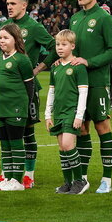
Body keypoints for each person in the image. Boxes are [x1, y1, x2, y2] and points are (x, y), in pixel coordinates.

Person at [44, 0, 112, 193]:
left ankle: (107, 179)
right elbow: (69, 46)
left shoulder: (104, 18)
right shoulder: (75, 18)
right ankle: (82, 177)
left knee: (102, 127)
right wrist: (63, 60)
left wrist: (89, 62)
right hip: (75, 83)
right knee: (82, 129)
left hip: (96, 83)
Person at [0, 0, 54, 187]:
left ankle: (29, 174)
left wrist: (38, 68)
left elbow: (54, 47)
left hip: (27, 88)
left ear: (24, 5)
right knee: (6, 132)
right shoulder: (5, 26)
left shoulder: (34, 27)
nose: (9, 7)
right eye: (7, 3)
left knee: (26, 132)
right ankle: (6, 174)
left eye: (13, 3)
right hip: (6, 90)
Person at [44, 29, 90, 195]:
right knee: (62, 149)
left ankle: (80, 181)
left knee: (68, 145)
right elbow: (51, 92)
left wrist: (79, 116)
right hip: (59, 112)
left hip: (72, 112)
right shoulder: (55, 68)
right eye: (57, 44)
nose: (60, 47)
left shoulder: (78, 67)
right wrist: (48, 115)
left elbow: (83, 92)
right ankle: (67, 183)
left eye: (64, 44)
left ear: (72, 46)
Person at [0, 24, 35, 192]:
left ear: (16, 40)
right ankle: (8, 178)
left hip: (16, 108)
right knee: (5, 145)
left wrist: (24, 107)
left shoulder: (22, 60)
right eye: (0, 37)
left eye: (5, 38)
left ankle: (17, 180)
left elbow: (29, 87)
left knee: (16, 143)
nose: (1, 41)